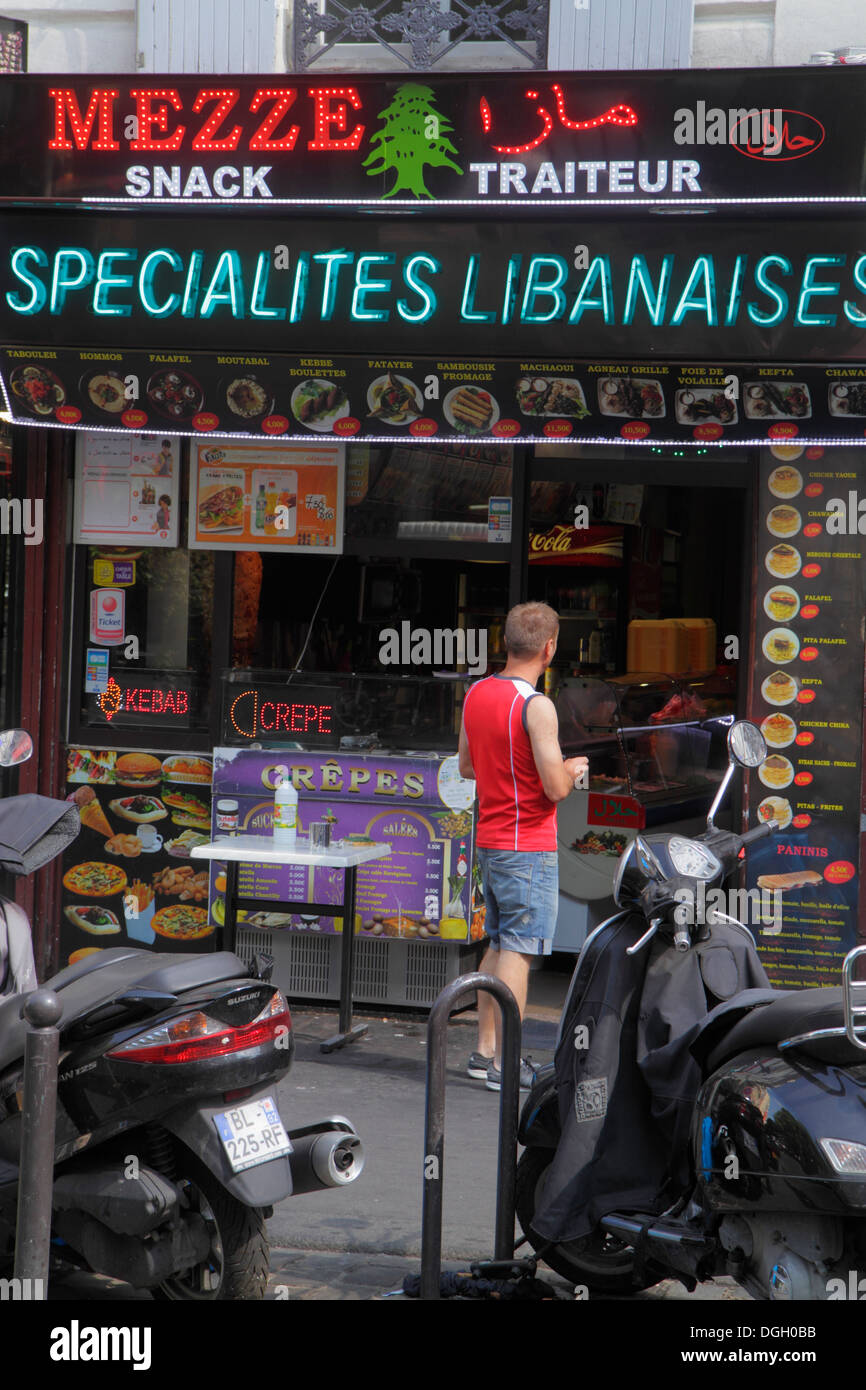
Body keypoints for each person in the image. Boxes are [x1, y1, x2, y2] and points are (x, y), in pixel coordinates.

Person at [458, 601, 588, 1091]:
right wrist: (572, 770)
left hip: (490, 840)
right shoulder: (536, 705)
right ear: (549, 648)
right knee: (519, 949)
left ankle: (484, 1051)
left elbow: (467, 767)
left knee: (497, 944)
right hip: (527, 845)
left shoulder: (476, 694)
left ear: (506, 641)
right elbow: (555, 788)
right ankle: (505, 1065)